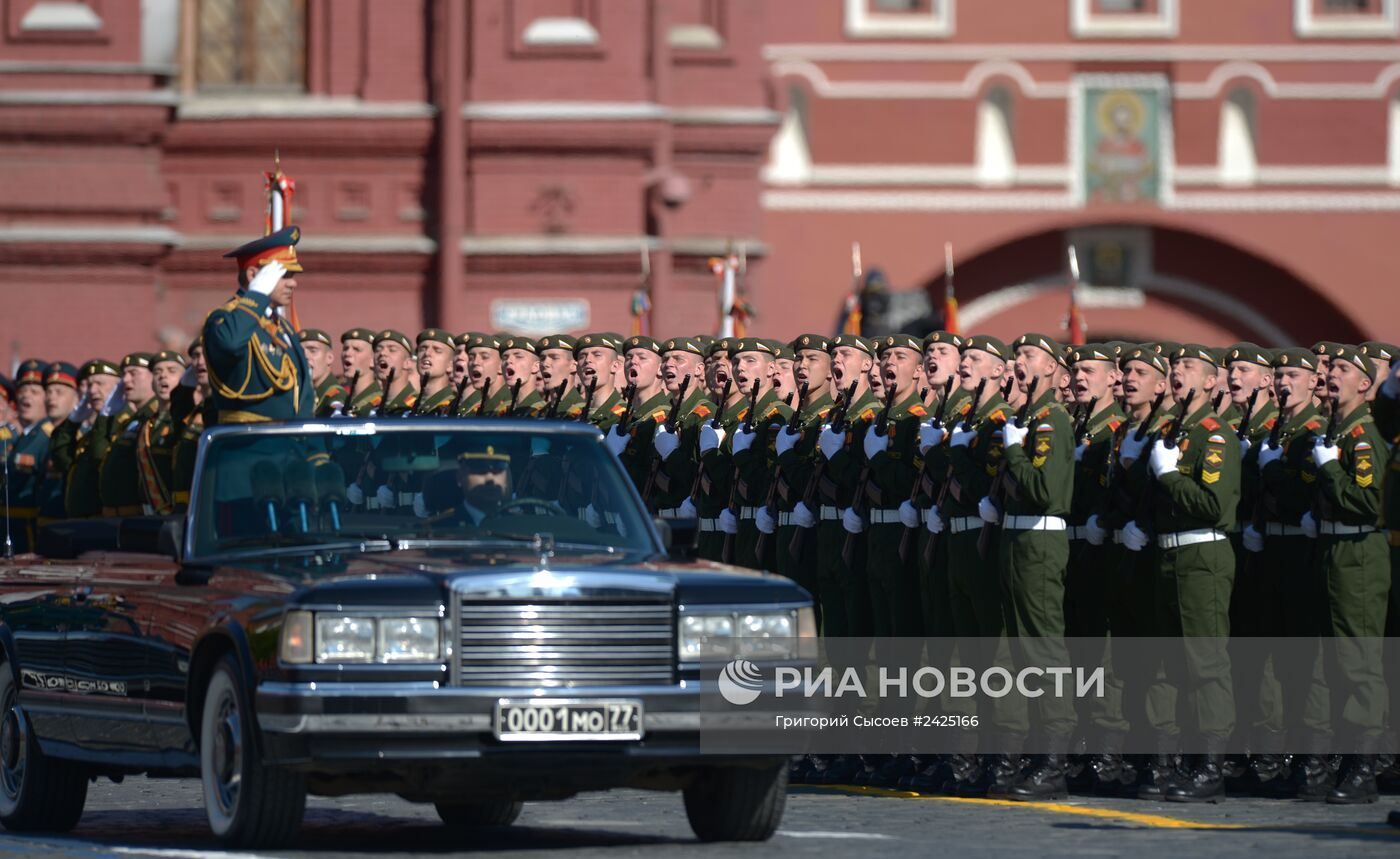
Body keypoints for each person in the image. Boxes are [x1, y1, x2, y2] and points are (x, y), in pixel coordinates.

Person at [1123, 344, 1240, 802]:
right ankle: (1168, 760)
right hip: (1167, 555)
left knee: (1205, 664)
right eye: (1174, 367)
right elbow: (1150, 498)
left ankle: (1208, 766)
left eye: (1188, 367)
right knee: (1166, 666)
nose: (1177, 373)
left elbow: (1214, 507)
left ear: (1212, 382)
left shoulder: (1215, 436)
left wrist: (1170, 477)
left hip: (1202, 557)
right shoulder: (1170, 431)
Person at [988, 333, 1077, 800]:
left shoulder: (1051, 420)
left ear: (1052, 369)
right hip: (1016, 535)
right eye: (1017, 355)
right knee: (1017, 652)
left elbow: (1043, 492)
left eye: (1028, 356)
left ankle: (1053, 760)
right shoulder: (1026, 418)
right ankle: (1021, 754)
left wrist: (1015, 452)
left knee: (1043, 653)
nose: (1018, 362)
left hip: (1039, 539)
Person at [204, 225, 314, 423]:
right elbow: (231, 344)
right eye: (283, 275)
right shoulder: (224, 320)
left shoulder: (284, 328)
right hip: (249, 445)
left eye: (292, 276)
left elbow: (303, 394)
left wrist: (314, 452)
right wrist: (256, 295)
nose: (292, 283)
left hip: (291, 446)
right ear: (253, 276)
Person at [724, 339, 793, 571]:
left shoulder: (779, 416)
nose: (739, 367)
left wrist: (742, 454)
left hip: (766, 530)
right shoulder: (745, 419)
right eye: (735, 362)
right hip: (742, 526)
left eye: (749, 360)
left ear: (771, 369)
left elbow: (770, 479)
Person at [55, 359, 121, 518]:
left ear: (118, 388)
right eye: (90, 385)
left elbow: (98, 455)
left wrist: (105, 416)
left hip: (105, 521)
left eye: (99, 384)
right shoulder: (91, 433)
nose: (92, 391)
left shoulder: (121, 426)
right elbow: (61, 459)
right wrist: (72, 423)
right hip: (82, 522)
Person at [605, 336, 671, 492]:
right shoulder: (626, 417)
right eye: (629, 357)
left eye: (642, 357)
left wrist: (616, 457)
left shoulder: (664, 417)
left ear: (660, 369)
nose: (633, 362)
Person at [96, 353, 159, 517]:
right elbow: (98, 455)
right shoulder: (130, 421)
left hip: (140, 513)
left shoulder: (155, 415)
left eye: (133, 373)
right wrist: (105, 415)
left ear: (153, 376)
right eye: (124, 374)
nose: (125, 380)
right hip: (116, 515)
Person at [4, 360, 53, 552]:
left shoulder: (47, 436)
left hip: (29, 531)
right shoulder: (22, 436)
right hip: (11, 528)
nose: (26, 397)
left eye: (34, 392)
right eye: (23, 390)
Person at [37, 362, 81, 522]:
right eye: (48, 392)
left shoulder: (79, 437)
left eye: (59, 392)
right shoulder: (42, 435)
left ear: (76, 398)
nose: (51, 398)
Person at [458, 333, 511, 417]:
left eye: (484, 357)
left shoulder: (511, 408)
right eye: (471, 358)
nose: (475, 362)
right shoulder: (474, 410)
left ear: (501, 365)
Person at [297, 329, 348, 417]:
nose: (306, 356)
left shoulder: (335, 396)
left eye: (313, 351)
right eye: (301, 352)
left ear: (329, 358)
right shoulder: (307, 393)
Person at [373, 330, 419, 416]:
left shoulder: (416, 406)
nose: (382, 353)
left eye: (392, 350)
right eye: (378, 350)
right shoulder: (373, 407)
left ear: (407, 363)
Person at [340, 328, 383, 416]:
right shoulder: (345, 401)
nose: (347, 353)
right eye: (345, 348)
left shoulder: (379, 403)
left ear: (373, 360)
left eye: (356, 349)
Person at [414, 329, 458, 415]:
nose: (427, 353)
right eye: (422, 349)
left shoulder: (453, 408)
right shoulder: (411, 405)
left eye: (437, 350)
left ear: (450, 365)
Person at [501, 336, 545, 416]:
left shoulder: (542, 412)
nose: (508, 361)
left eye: (518, 357)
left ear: (536, 366)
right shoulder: (502, 410)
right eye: (505, 357)